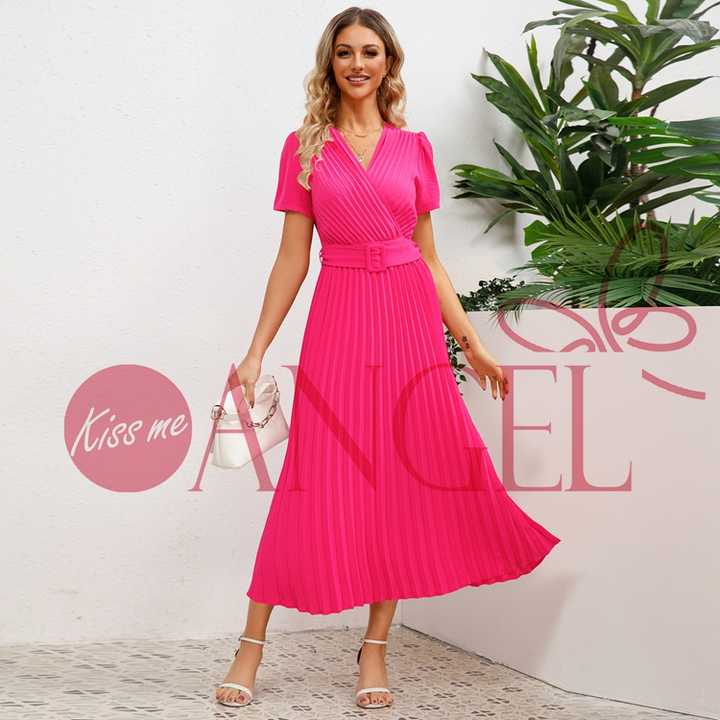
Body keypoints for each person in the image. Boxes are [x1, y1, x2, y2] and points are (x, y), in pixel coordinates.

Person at [216, 6, 561, 711]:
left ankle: (374, 649)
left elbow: (428, 258)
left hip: (408, 322)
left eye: (370, 52)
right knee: (313, 479)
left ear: (389, 63)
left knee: (401, 482)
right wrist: (256, 351)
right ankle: (250, 645)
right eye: (345, 52)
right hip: (341, 316)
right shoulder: (305, 148)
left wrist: (471, 342)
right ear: (330, 63)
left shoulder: (415, 147)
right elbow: (292, 258)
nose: (357, 64)